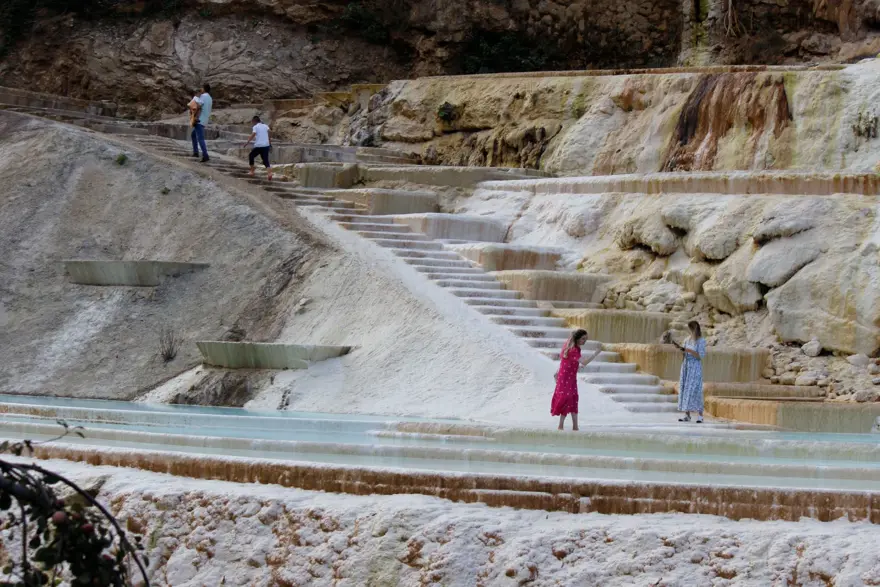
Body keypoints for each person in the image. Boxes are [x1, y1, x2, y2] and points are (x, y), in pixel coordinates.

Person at [551, 328, 602, 431]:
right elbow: (584, 362)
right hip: (566, 378)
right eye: (583, 339)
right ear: (577, 338)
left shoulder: (571, 345)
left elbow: (564, 361)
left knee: (573, 399)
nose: (585, 341)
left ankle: (575, 426)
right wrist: (596, 353)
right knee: (567, 399)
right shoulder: (573, 349)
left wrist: (557, 372)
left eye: (586, 339)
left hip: (569, 377)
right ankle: (561, 426)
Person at [672, 321, 707, 423]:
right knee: (685, 388)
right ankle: (687, 415)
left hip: (695, 367)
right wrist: (682, 349)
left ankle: (700, 416)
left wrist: (688, 350)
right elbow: (685, 352)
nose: (690, 331)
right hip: (686, 366)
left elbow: (700, 356)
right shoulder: (687, 339)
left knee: (695, 389)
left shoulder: (701, 341)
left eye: (691, 329)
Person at [242, 116, 273, 181]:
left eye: (252, 122)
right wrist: (269, 142)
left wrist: (247, 142)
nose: (252, 123)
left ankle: (252, 171)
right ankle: (269, 173)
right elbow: (269, 133)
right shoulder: (265, 126)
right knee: (265, 160)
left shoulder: (255, 127)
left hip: (259, 145)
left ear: (254, 121)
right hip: (266, 145)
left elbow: (253, 135)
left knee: (251, 156)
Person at [189, 83, 213, 163]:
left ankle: (205, 155)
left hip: (199, 120)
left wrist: (195, 98)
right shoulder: (210, 98)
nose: (201, 89)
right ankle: (196, 152)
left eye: (202, 88)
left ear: (204, 89)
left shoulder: (203, 96)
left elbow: (199, 105)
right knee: (193, 135)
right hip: (205, 120)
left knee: (200, 138)